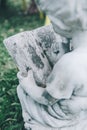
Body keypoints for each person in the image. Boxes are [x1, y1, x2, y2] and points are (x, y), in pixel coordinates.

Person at [17, 0, 87, 130]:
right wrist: (82, 103)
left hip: (63, 115)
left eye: (52, 17)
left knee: (22, 91)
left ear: (64, 22)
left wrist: (28, 85)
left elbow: (47, 99)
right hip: (81, 106)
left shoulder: (69, 64)